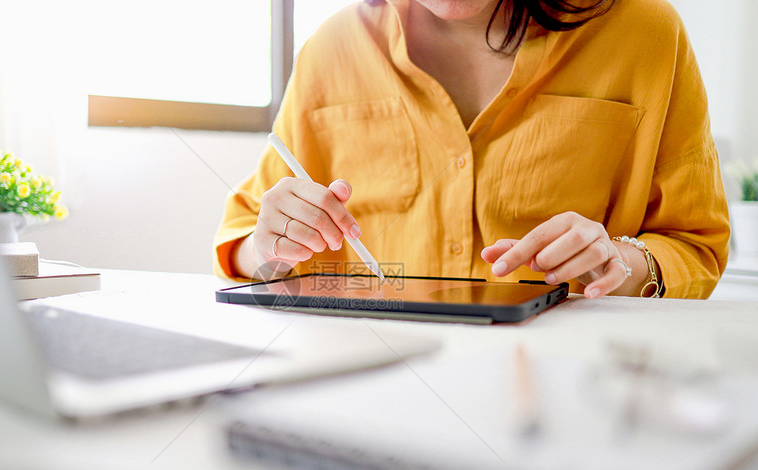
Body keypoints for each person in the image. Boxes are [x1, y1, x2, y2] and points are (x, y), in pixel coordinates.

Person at [213, 0, 730, 299]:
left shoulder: (645, 34)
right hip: (375, 389)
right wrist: (269, 245)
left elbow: (697, 246)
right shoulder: (332, 48)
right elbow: (243, 251)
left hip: (575, 397)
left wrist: (619, 263)